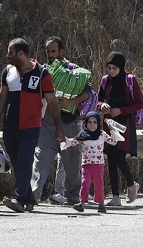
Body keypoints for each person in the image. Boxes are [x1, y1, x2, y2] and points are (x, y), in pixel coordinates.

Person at [0, 38, 64, 213]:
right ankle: (29, 198)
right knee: (17, 162)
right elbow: (1, 98)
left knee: (25, 160)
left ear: (21, 54)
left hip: (31, 125)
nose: (7, 56)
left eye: (10, 53)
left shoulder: (42, 73)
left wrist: (59, 127)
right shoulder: (8, 71)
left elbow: (52, 102)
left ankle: (19, 198)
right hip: (10, 124)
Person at [31, 36, 92, 205]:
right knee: (41, 160)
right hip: (47, 121)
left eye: (54, 51)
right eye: (48, 51)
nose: (50, 54)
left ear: (61, 51)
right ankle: (32, 197)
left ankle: (73, 197)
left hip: (69, 123)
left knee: (72, 162)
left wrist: (69, 103)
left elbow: (88, 92)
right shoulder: (42, 70)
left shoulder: (73, 71)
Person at [97, 51, 143, 206]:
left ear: (121, 68)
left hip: (124, 124)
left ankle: (131, 184)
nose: (111, 71)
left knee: (119, 157)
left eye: (114, 68)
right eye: (109, 68)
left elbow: (139, 103)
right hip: (109, 124)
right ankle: (116, 196)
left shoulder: (130, 80)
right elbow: (98, 100)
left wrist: (121, 111)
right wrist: (102, 105)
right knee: (110, 157)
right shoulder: (105, 81)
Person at [62, 112, 117, 213]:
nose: (92, 125)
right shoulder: (83, 134)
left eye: (95, 122)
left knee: (99, 184)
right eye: (89, 122)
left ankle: (101, 204)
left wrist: (113, 131)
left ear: (98, 123)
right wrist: (67, 142)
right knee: (85, 183)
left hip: (98, 165)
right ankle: (81, 203)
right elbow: (74, 142)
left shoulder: (102, 134)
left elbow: (113, 142)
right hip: (86, 165)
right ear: (86, 123)